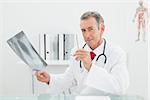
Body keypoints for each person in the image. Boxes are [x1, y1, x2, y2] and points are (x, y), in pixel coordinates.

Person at [35, 11, 129, 95]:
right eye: (83, 30)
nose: (87, 35)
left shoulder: (117, 53)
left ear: (102, 29)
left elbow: (120, 87)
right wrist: (49, 79)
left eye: (90, 29)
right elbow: (69, 79)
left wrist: (90, 67)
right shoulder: (77, 51)